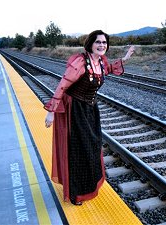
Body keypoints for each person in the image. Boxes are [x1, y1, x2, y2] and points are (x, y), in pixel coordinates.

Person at [44, 30, 135, 205]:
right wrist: (51, 111)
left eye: (104, 42)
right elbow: (63, 85)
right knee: (79, 151)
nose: (102, 45)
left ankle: (87, 186)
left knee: (92, 147)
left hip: (90, 110)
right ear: (90, 44)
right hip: (75, 110)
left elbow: (107, 70)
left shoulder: (100, 62)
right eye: (98, 42)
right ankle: (76, 193)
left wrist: (124, 59)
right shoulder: (80, 62)